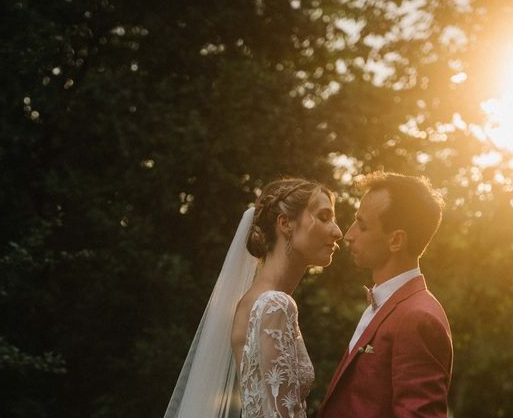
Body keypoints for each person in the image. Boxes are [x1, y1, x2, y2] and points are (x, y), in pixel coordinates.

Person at [164, 178, 343, 418]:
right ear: (285, 223)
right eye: (324, 217)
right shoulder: (274, 305)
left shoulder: (251, 302)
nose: (338, 231)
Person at [318, 172, 453, 418]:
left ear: (396, 241)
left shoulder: (419, 318)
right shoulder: (385, 304)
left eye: (362, 225)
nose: (348, 235)